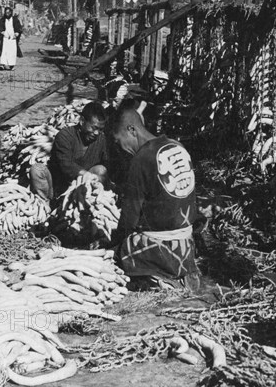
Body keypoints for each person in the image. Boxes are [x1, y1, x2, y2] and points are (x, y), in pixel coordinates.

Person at [112, 106, 200, 291]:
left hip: (166, 244)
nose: (119, 146)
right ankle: (184, 268)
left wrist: (118, 241)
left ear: (131, 130)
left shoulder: (142, 159)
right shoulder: (177, 145)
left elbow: (130, 216)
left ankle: (161, 276)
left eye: (119, 140)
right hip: (187, 242)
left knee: (124, 250)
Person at [30, 102, 108, 201]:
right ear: (82, 121)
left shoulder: (101, 139)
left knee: (101, 170)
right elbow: (66, 165)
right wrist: (87, 175)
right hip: (57, 185)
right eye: (94, 128)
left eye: (100, 130)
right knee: (37, 170)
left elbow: (107, 163)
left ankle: (90, 201)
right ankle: (46, 203)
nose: (97, 133)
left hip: (83, 188)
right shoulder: (64, 136)